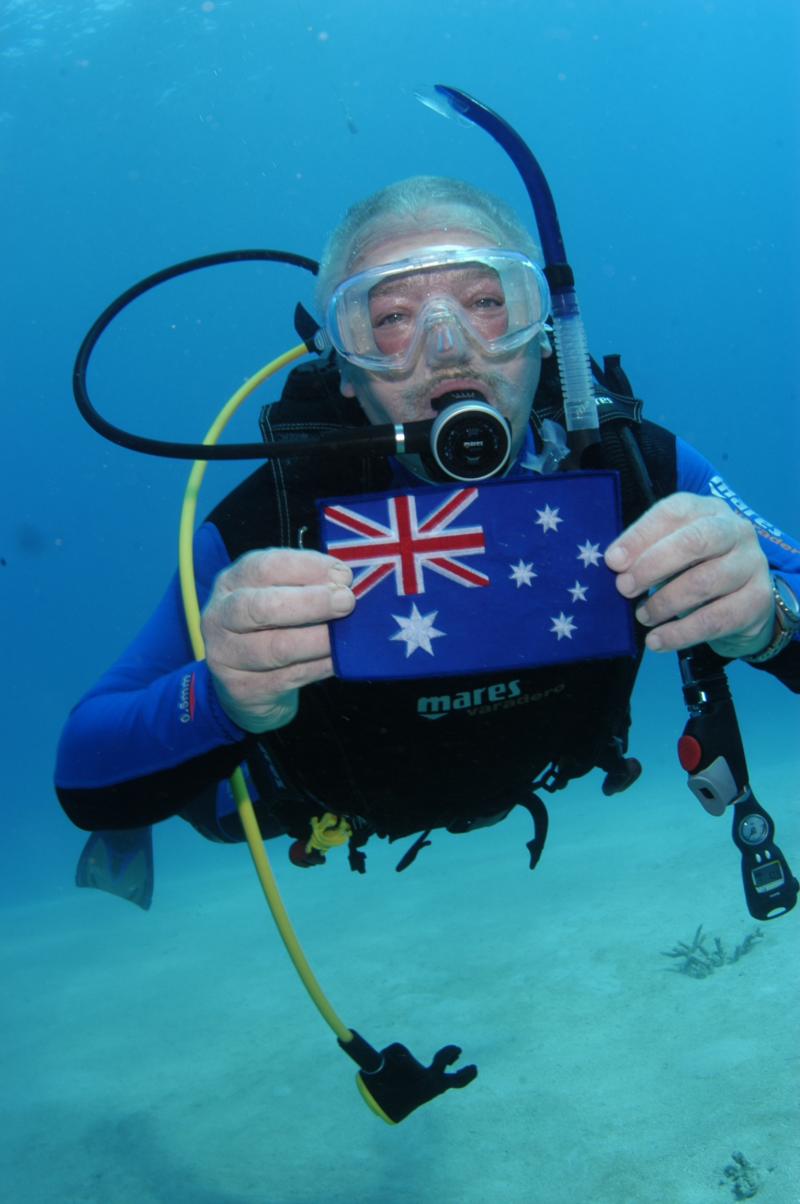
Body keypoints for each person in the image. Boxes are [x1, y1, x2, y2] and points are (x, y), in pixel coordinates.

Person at [55, 174, 800, 912]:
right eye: (390, 320)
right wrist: (218, 699)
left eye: (486, 303)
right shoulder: (271, 523)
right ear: (344, 370)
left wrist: (770, 621)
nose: (449, 352)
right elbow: (82, 771)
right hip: (326, 796)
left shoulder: (635, 469)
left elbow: (785, 586)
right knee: (208, 805)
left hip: (539, 761)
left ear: (545, 333)